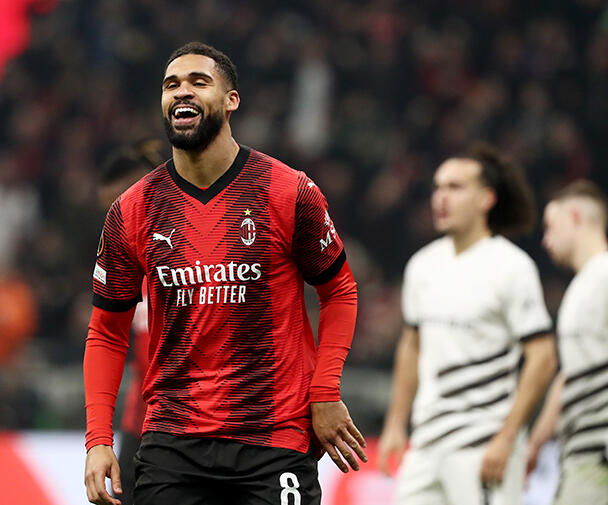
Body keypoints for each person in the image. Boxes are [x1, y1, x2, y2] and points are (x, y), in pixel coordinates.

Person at [83, 42, 366, 505]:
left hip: (274, 437)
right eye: (171, 85)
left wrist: (325, 391)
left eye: (199, 82)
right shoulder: (132, 210)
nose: (182, 92)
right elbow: (106, 332)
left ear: (231, 100)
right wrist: (98, 440)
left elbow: (340, 291)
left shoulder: (288, 190)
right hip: (173, 441)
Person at [377, 143, 558, 505]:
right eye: (438, 187)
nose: (441, 197)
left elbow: (543, 356)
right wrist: (396, 424)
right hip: (426, 442)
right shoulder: (422, 266)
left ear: (486, 199)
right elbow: (411, 346)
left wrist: (507, 437)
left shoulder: (512, 267)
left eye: (455, 187)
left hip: (483, 442)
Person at [526, 180, 608, 504]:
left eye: (550, 226)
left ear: (575, 216)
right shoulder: (582, 286)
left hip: (598, 452)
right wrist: (536, 442)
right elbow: (570, 375)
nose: (545, 239)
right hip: (580, 454)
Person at [97, 142, 159, 505]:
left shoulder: (191, 258)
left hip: (193, 428)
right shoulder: (123, 269)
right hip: (140, 427)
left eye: (117, 206)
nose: (114, 221)